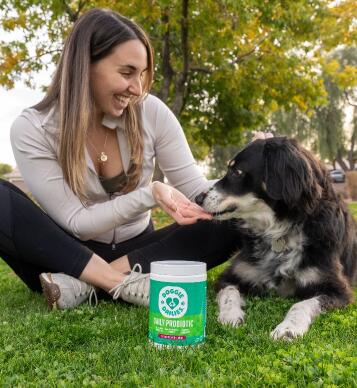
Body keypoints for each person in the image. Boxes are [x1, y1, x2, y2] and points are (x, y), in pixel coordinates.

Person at [2, 8, 250, 311]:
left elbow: (197, 191)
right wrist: (151, 194)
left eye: (142, 75)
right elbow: (79, 224)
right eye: (127, 73)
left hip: (139, 254)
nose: (138, 88)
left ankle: (80, 287)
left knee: (233, 215)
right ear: (85, 66)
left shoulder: (152, 112)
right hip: (66, 256)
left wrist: (247, 175)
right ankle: (118, 284)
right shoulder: (33, 128)